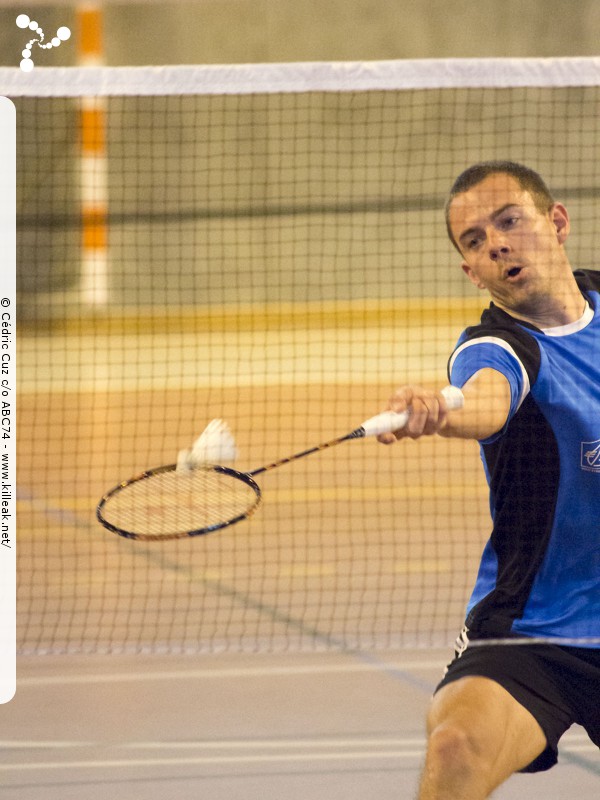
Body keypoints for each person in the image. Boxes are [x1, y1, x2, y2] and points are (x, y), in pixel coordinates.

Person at [377, 161, 600, 799]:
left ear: (556, 223)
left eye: (509, 221)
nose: (496, 242)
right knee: (456, 747)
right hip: (535, 630)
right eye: (474, 240)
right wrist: (440, 412)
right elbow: (485, 402)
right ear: (471, 271)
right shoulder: (497, 347)